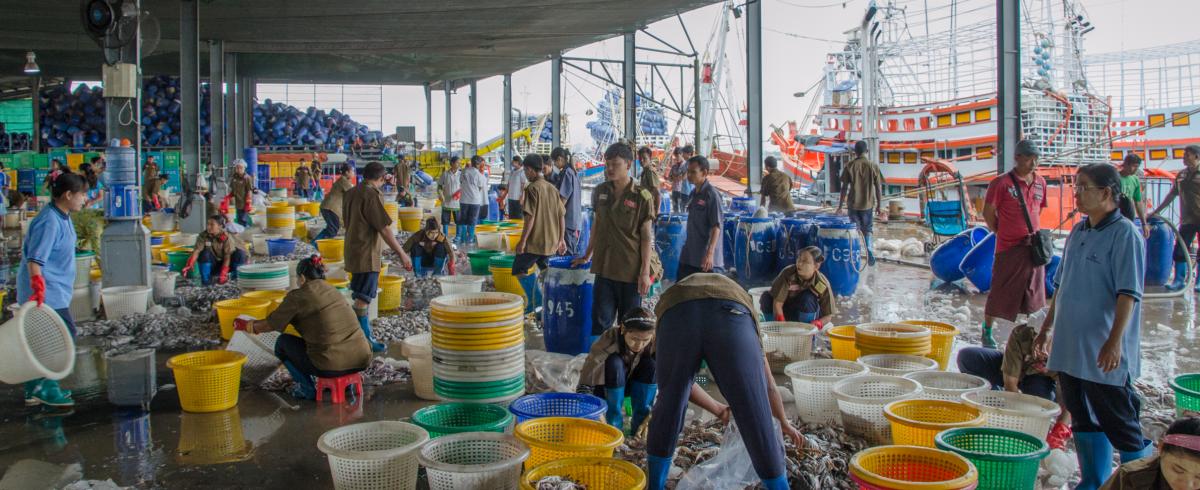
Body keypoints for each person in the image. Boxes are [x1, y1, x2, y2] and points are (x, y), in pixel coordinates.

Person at [1034, 163, 1151, 490]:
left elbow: (1128, 294)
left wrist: (1115, 342)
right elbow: (1061, 287)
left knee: (1120, 422)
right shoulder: (1079, 232)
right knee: (1082, 416)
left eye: (1084, 187)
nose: (1078, 194)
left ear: (1106, 193)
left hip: (1103, 350)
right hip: (1071, 345)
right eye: (1077, 187)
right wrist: (1046, 330)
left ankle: (1142, 480)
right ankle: (1094, 480)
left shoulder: (1125, 233)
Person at [646, 273, 801, 490]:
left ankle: (654, 486)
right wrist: (783, 422)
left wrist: (718, 409)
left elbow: (684, 384)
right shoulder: (749, 317)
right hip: (732, 314)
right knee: (754, 411)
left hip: (676, 311)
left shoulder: (676, 299)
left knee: (668, 404)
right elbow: (766, 386)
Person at [577, 306, 733, 435]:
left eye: (645, 340)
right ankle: (613, 428)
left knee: (652, 365)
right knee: (614, 363)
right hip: (608, 386)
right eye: (634, 339)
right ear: (623, 329)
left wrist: (718, 409)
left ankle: (640, 426)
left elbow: (680, 378)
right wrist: (591, 411)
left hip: (639, 385)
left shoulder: (658, 341)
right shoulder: (609, 338)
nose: (639, 345)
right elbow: (587, 380)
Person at [236, 255, 371, 400]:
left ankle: (307, 389)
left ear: (302, 277)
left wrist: (248, 325)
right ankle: (347, 385)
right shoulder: (332, 290)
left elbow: (271, 324)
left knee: (283, 343)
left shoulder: (298, 296)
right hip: (362, 359)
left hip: (331, 365)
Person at [17, 172, 89, 407]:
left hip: (57, 290)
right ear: (68, 195)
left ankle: (34, 387)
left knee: (48, 339)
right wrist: (38, 289)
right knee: (62, 337)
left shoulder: (63, 216)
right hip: (45, 292)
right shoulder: (49, 221)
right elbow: (35, 260)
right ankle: (45, 387)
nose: (85, 199)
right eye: (82, 194)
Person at [573, 143, 656, 341]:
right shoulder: (601, 191)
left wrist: (645, 272)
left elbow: (646, 237)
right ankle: (601, 365)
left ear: (628, 165)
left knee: (629, 324)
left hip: (630, 271)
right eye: (607, 164)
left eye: (615, 164)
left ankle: (626, 367)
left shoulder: (642, 196)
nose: (609, 169)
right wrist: (587, 254)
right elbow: (597, 224)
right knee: (600, 322)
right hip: (604, 268)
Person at [955, 324, 1073, 449]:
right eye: (1039, 351)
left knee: (1039, 397)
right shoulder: (1023, 334)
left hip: (1041, 382)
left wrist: (1060, 430)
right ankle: (995, 400)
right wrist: (1011, 417)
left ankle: (1038, 417)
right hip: (1018, 369)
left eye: (1047, 358)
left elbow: (1071, 399)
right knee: (968, 356)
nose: (1042, 357)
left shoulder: (1069, 355)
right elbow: (1010, 383)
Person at [979, 139, 1048, 348]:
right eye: (1029, 159)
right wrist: (1001, 232)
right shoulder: (1001, 183)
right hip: (1008, 247)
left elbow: (1038, 210)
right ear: (1017, 158)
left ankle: (1030, 332)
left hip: (1033, 246)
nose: (1033, 164)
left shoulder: (1040, 183)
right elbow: (988, 212)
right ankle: (987, 329)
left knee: (1033, 291)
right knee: (1000, 289)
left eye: (1036, 159)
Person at [343, 162, 414, 352]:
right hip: (366, 253)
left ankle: (353, 336)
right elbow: (384, 229)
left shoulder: (351, 192)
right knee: (364, 297)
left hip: (352, 249)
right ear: (382, 178)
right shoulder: (371, 195)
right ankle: (364, 340)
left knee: (358, 293)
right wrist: (402, 255)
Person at [514, 154, 566, 312]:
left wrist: (522, 241)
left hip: (535, 241)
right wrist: (561, 239)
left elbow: (530, 217)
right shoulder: (551, 188)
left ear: (530, 170)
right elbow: (561, 215)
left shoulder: (532, 188)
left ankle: (536, 301)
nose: (525, 174)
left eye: (525, 171)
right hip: (551, 240)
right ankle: (553, 301)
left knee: (519, 268)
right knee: (545, 269)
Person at [1101, 417, 1200, 490]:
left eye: (1199, 477)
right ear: (1160, 448)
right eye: (1177, 470)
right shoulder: (1131, 478)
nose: (1187, 486)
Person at [1151, 145, 1200, 292]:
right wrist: (1156, 211)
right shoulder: (1182, 175)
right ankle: (1179, 280)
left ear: (1197, 156)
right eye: (1184, 155)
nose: (1184, 157)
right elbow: (1172, 195)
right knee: (1180, 249)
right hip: (1188, 219)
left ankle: (1198, 282)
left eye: (1187, 155)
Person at [760, 246, 835, 327]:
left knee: (807, 298)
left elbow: (828, 315)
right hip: (786, 311)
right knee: (766, 297)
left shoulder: (821, 284)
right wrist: (781, 325)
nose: (799, 263)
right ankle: (773, 329)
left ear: (816, 266)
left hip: (806, 315)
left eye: (805, 261)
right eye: (799, 259)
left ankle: (805, 333)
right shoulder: (788, 274)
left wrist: (819, 323)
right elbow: (778, 303)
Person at [676, 156, 724, 281]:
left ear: (705, 172)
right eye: (688, 171)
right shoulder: (693, 194)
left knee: (705, 296)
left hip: (705, 259)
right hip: (690, 254)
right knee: (681, 289)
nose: (689, 175)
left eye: (693, 172)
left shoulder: (712, 195)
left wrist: (710, 254)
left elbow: (716, 227)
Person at [837, 140, 883, 266]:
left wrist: (840, 206)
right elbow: (878, 188)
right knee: (867, 229)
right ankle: (869, 250)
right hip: (868, 204)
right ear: (866, 151)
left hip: (853, 204)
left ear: (854, 152)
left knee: (855, 230)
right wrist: (879, 205)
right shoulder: (873, 166)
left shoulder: (850, 166)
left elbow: (844, 188)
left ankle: (855, 256)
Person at [180, 214, 247, 285]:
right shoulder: (203, 236)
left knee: (240, 253)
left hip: (227, 266)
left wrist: (223, 273)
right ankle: (206, 281)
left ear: (220, 226)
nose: (208, 227)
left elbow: (227, 256)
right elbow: (197, 250)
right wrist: (191, 262)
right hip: (214, 265)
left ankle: (236, 279)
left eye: (212, 225)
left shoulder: (226, 237)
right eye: (208, 224)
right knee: (204, 253)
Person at [551, 147, 583, 256]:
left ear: (560, 159)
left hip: (568, 221)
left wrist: (552, 215)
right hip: (574, 220)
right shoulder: (574, 172)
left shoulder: (567, 173)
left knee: (566, 253)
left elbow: (563, 200)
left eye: (555, 162)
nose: (555, 165)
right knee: (570, 251)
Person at [316, 163, 354, 241]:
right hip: (330, 208)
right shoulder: (343, 181)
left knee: (331, 228)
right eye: (352, 171)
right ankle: (317, 244)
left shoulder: (343, 180)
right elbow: (354, 194)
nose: (353, 173)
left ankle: (315, 243)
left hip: (328, 207)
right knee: (332, 230)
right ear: (347, 172)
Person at [1119, 153, 1151, 237]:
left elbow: (1138, 202)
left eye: (1137, 167)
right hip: (1115, 217)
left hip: (1128, 216)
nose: (1134, 170)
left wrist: (1144, 224)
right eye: (1133, 166)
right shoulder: (1115, 178)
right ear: (1125, 164)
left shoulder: (1135, 179)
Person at [459, 156, 488, 244]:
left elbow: (460, 182)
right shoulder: (480, 175)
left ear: (471, 162)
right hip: (475, 201)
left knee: (463, 220)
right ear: (479, 164)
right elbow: (480, 187)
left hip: (464, 200)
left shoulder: (464, 171)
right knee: (472, 220)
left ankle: (462, 239)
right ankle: (470, 239)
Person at [438, 157, 462, 237]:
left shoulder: (461, 174)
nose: (459, 164)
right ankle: (445, 236)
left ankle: (458, 236)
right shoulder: (445, 174)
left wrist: (460, 193)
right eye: (457, 163)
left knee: (459, 220)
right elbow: (439, 186)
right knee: (445, 221)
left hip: (457, 202)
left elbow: (464, 186)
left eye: (459, 163)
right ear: (451, 163)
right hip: (446, 201)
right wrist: (440, 194)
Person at [228, 159, 254, 227]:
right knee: (239, 218)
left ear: (244, 168)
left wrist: (248, 202)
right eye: (237, 167)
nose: (239, 169)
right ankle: (242, 231)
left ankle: (246, 231)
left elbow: (249, 190)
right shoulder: (234, 177)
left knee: (243, 220)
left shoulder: (247, 178)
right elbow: (233, 190)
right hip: (238, 202)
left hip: (244, 202)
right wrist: (228, 197)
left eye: (241, 167)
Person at [637, 146, 663, 213]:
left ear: (650, 159)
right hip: (646, 205)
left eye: (644, 158)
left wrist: (657, 210)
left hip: (651, 207)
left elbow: (657, 193)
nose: (641, 160)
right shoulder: (644, 171)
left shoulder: (650, 171)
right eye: (640, 158)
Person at [669, 146, 695, 211]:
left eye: (683, 153)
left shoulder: (691, 164)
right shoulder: (676, 166)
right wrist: (676, 177)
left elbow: (683, 177)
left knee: (685, 210)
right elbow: (670, 178)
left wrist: (675, 177)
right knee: (678, 208)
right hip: (681, 191)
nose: (683, 155)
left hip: (687, 191)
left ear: (689, 154)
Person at [506, 155, 528, 220]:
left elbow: (524, 185)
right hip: (511, 197)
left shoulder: (522, 172)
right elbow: (509, 184)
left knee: (518, 216)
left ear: (518, 162)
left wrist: (522, 197)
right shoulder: (512, 171)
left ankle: (519, 230)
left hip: (518, 198)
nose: (512, 162)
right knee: (511, 216)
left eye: (513, 161)